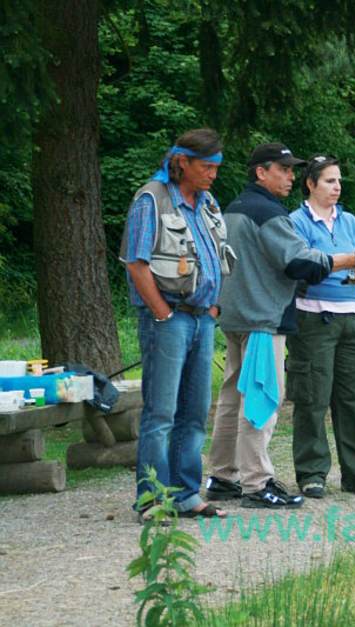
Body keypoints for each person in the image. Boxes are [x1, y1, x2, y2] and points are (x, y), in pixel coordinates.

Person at [205, 144, 355, 509]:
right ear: (261, 172)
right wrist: (352, 259)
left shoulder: (235, 208)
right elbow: (299, 262)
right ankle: (257, 484)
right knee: (261, 398)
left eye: (292, 170)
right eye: (283, 170)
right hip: (261, 320)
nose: (289, 177)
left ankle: (223, 477)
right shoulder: (269, 213)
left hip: (238, 315)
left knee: (232, 398)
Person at [120, 128, 232, 522]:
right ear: (181, 161)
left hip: (203, 320)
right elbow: (136, 263)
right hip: (167, 320)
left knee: (194, 411)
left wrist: (214, 308)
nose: (212, 175)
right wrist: (163, 313)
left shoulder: (207, 202)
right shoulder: (151, 198)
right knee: (161, 413)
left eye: (216, 167)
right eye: (206, 167)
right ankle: (152, 499)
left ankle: (186, 495)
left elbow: (217, 256)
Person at [287, 155, 355, 499]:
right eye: (330, 181)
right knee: (312, 397)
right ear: (310, 184)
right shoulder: (295, 222)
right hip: (313, 319)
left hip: (353, 318)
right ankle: (312, 473)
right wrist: (348, 262)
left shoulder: (350, 222)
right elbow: (302, 265)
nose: (337, 187)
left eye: (339, 181)